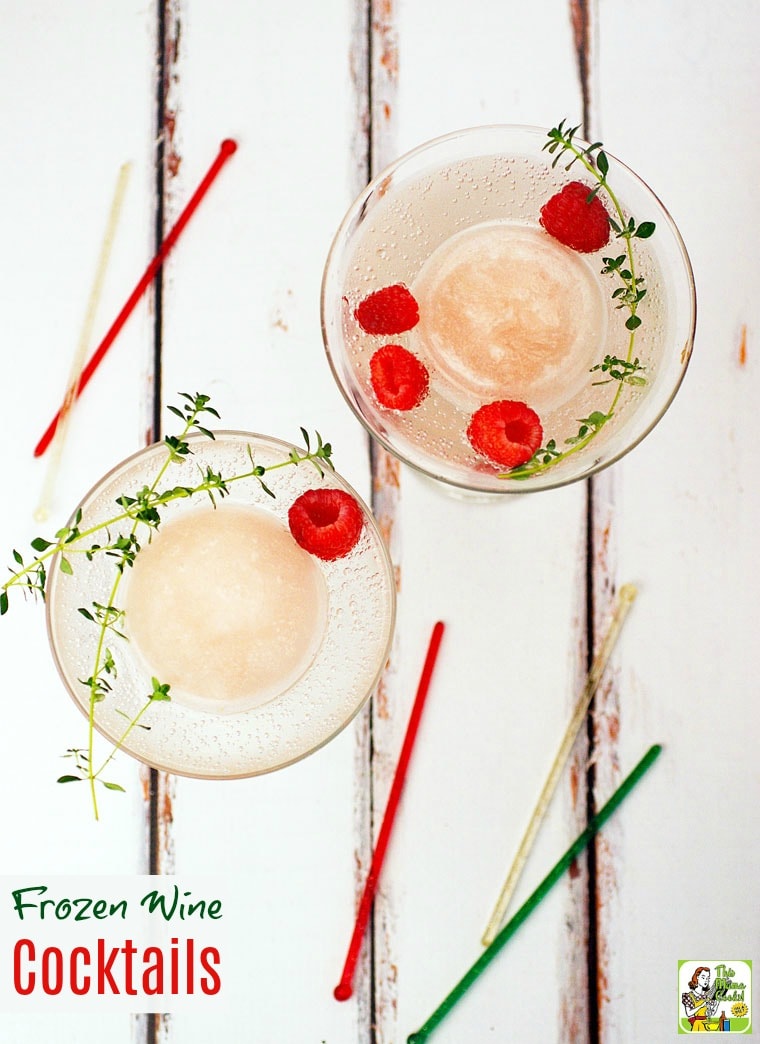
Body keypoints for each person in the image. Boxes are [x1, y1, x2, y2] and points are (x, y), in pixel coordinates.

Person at [682, 966, 719, 1031]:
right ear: (697, 977)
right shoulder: (689, 996)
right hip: (697, 1025)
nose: (706, 980)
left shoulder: (708, 995)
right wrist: (701, 1005)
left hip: (707, 1025)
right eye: (703, 977)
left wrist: (717, 1002)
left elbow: (711, 1013)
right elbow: (688, 1014)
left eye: (708, 978)